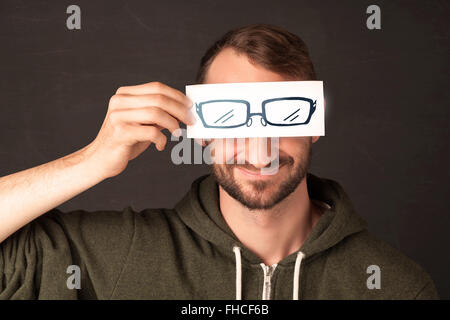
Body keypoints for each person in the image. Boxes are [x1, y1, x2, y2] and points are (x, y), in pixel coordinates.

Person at [0, 24, 438, 300]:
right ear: (200, 127)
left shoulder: (395, 286)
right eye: (229, 114)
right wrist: (92, 161)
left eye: (285, 113)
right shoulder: (119, 254)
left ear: (315, 124)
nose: (258, 142)